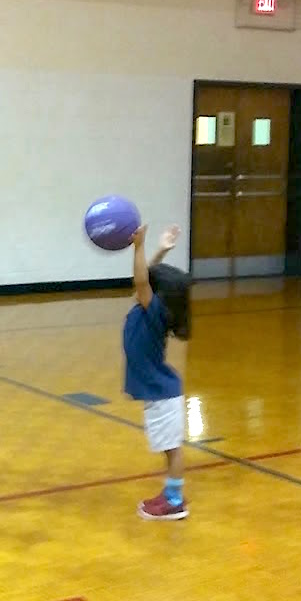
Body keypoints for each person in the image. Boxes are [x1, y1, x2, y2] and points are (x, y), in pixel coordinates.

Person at [123, 223, 194, 521]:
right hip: (159, 391)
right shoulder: (152, 308)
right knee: (169, 448)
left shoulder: (154, 310)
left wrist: (140, 247)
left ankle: (175, 501)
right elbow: (144, 280)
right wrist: (161, 249)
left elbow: (141, 280)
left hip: (163, 394)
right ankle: (172, 494)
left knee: (172, 449)